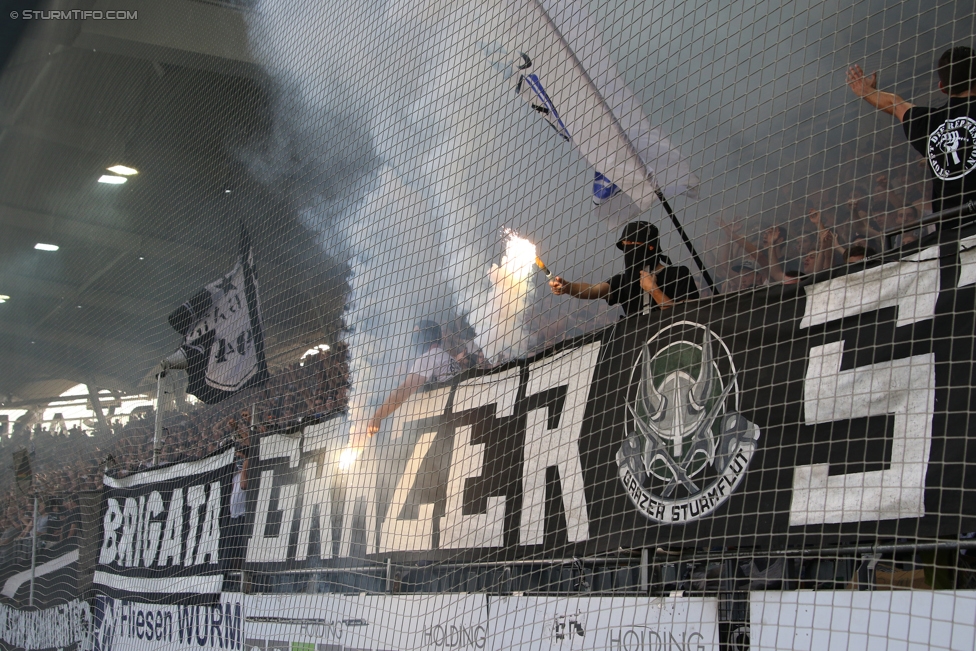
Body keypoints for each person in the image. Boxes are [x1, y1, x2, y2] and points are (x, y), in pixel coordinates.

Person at [848, 46, 976, 216]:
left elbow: (895, 105)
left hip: (951, 232)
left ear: (942, 87)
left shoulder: (928, 122)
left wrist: (867, 92)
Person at [548, 221, 699, 314]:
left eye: (632, 246)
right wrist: (568, 287)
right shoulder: (624, 281)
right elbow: (594, 290)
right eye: (624, 247)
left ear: (650, 247)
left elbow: (685, 317)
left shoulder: (678, 274)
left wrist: (653, 289)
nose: (628, 252)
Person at [365, 320, 458, 438]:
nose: (414, 338)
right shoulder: (446, 356)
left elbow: (403, 391)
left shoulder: (428, 358)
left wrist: (377, 416)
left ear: (426, 335)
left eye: (417, 333)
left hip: (448, 419)